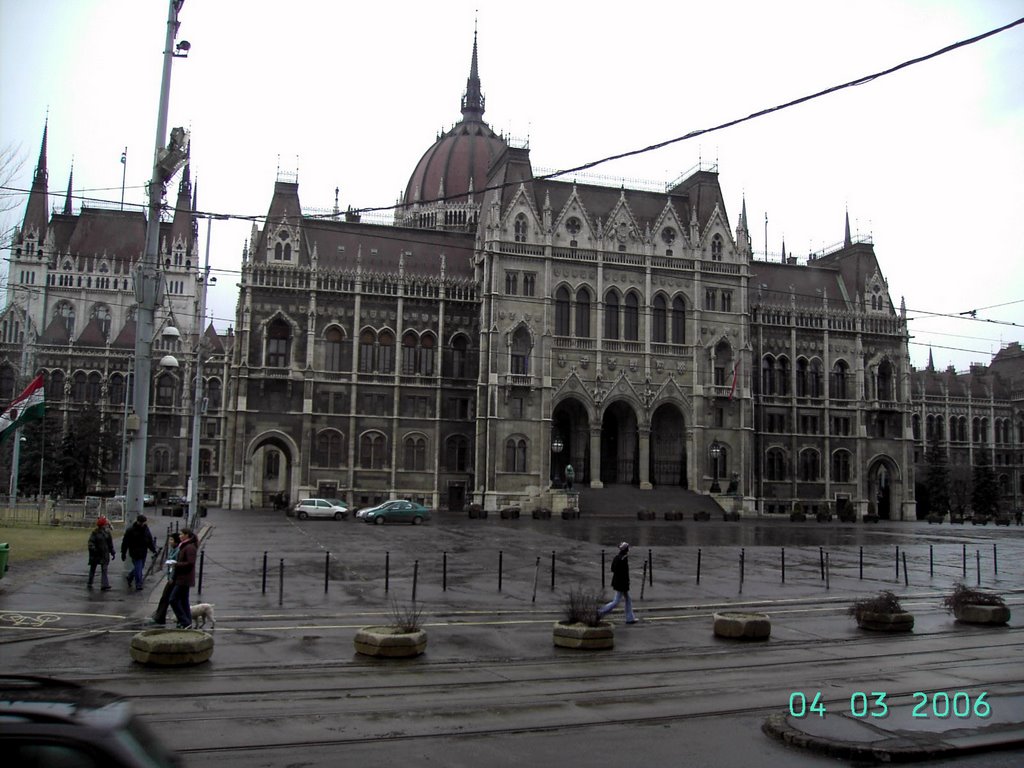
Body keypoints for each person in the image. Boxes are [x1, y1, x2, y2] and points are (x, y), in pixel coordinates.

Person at [598, 542, 637, 624]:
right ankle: (600, 612)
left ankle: (630, 618)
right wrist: (626, 583)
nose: (629, 550)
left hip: (618, 582)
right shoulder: (623, 559)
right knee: (616, 601)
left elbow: (613, 569)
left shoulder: (617, 557)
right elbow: (624, 574)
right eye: (628, 548)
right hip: (622, 584)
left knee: (628, 600)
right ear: (626, 550)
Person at [169, 528, 198, 629]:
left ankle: (184, 621)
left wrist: (176, 564)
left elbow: (190, 563)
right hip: (182, 577)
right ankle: (188, 622)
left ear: (187, 535)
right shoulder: (184, 546)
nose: (180, 536)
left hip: (184, 578)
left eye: (181, 534)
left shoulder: (189, 547)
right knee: (184, 600)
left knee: (173, 599)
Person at [150, 532, 182, 625]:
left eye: (171, 540)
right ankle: (160, 617)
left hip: (175, 578)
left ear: (176, 541)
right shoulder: (172, 550)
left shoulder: (178, 551)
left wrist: (171, 577)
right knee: (167, 598)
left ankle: (180, 618)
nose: (169, 541)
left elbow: (175, 566)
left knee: (171, 599)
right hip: (171, 577)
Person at [121, 514, 157, 591]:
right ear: (137, 521)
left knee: (140, 567)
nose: (142, 524)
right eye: (141, 522)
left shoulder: (146, 530)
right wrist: (123, 553)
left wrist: (153, 550)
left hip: (143, 552)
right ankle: (138, 584)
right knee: (138, 568)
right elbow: (125, 543)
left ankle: (130, 576)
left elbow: (149, 541)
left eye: (143, 522)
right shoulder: (131, 530)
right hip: (135, 552)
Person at [87, 516, 115, 590]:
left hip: (101, 554)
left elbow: (110, 544)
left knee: (102, 569)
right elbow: (91, 543)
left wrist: (112, 552)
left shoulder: (100, 533)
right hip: (99, 554)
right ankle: (92, 582)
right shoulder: (98, 533)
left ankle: (104, 584)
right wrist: (94, 549)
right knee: (95, 569)